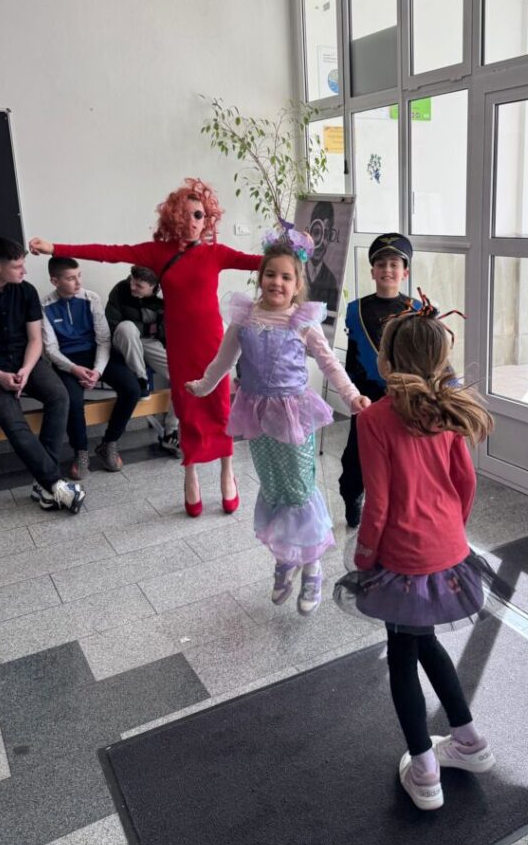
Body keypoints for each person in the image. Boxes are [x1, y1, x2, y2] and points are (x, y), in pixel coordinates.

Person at [334, 302, 497, 811]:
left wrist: (364, 557)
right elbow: (466, 483)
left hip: (401, 559)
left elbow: (378, 503)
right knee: (423, 640)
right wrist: (450, 532)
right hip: (448, 550)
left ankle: (425, 771)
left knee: (402, 656)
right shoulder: (449, 409)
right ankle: (468, 740)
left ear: (386, 361)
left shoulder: (374, 419)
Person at [29, 177, 261, 516]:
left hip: (212, 342)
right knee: (187, 407)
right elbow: (109, 253)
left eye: (199, 215)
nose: (193, 221)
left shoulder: (217, 253)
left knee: (219, 406)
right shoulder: (158, 253)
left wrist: (299, 249)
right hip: (180, 346)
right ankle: (191, 473)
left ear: (207, 218)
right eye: (186, 214)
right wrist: (56, 248)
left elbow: (262, 262)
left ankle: (228, 472)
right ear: (173, 217)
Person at [186, 231, 369, 615]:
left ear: (298, 284)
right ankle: (286, 560)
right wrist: (203, 386)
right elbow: (223, 360)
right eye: (270, 274)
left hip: (293, 416)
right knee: (275, 489)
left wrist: (351, 395)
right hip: (257, 416)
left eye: (286, 277)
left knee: (299, 489)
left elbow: (329, 363)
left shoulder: (302, 321)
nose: (277, 282)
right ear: (260, 277)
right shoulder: (245, 318)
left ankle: (312, 566)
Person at [0, 237, 84, 512]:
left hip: (27, 360)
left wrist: (25, 370)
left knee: (59, 396)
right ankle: (54, 483)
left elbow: (35, 339)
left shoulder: (26, 291)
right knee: (14, 422)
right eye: (18, 266)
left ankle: (44, 483)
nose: (24, 271)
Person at [339, 232, 418, 527]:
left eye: (394, 264)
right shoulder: (355, 309)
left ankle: (399, 506)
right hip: (367, 397)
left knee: (402, 456)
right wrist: (351, 394)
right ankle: (352, 496)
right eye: (381, 264)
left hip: (404, 397)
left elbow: (425, 356)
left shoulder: (418, 310)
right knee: (356, 456)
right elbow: (352, 356)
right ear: (372, 271)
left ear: (405, 272)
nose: (387, 270)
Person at [42, 256, 142, 480]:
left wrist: (97, 371)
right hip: (67, 361)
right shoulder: (44, 306)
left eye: (79, 276)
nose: (78, 282)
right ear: (55, 281)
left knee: (132, 389)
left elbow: (104, 340)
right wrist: (74, 369)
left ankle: (109, 443)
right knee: (73, 400)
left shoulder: (91, 298)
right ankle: (81, 451)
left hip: (97, 354)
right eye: (71, 278)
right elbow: (50, 349)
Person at [105, 265, 180, 457]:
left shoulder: (167, 295)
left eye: (139, 285)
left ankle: (171, 432)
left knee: (183, 376)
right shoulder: (121, 289)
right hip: (124, 341)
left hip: (151, 342)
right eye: (132, 280)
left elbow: (172, 327)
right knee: (127, 327)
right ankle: (141, 379)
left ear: (154, 287)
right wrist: (146, 324)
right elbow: (112, 325)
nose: (132, 286)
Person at [305, 200, 339, 317]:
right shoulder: (295, 271)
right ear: (308, 233)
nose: (320, 242)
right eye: (316, 232)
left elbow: (330, 318)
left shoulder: (331, 281)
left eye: (326, 235)